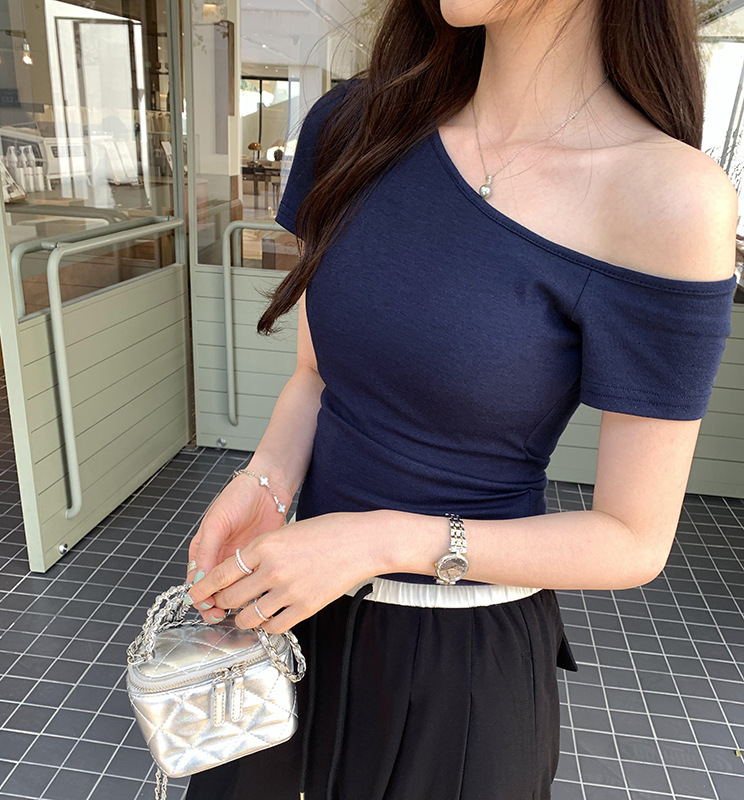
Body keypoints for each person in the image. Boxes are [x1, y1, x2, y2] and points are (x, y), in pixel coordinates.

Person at [182, 0, 739, 797]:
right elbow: (316, 373)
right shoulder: (354, 125)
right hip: (291, 607)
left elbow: (632, 539)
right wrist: (264, 483)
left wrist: (379, 541)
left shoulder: (665, 195)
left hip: (458, 661)